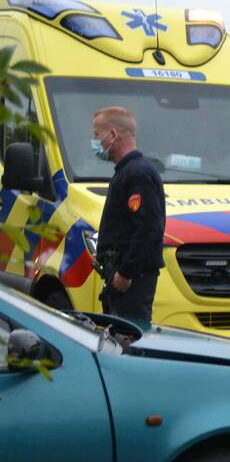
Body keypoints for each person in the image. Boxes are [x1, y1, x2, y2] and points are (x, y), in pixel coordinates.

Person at [93, 106, 166, 322]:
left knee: (128, 340)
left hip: (132, 281)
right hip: (123, 277)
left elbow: (148, 229)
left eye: (97, 135)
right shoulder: (127, 172)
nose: (95, 142)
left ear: (113, 135)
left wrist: (125, 273)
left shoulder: (137, 174)